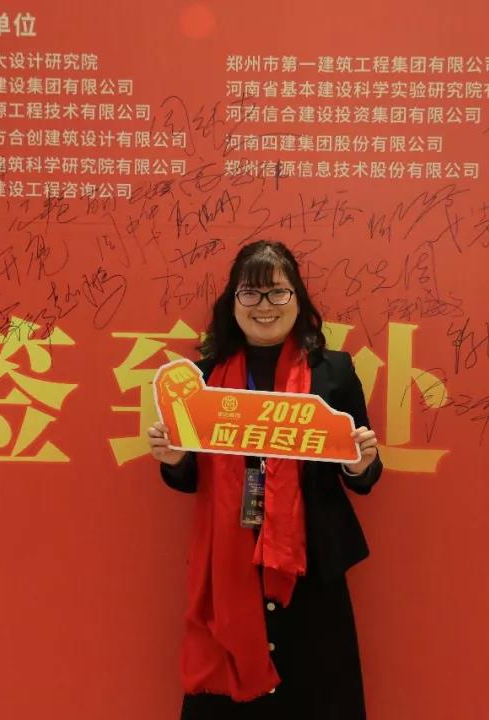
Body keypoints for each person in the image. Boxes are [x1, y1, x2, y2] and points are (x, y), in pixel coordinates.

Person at [147, 240, 382, 720]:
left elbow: (364, 474)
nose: (264, 306)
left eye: (277, 292)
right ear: (232, 303)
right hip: (229, 564)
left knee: (316, 698)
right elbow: (188, 476)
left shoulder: (333, 371)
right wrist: (174, 459)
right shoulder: (203, 377)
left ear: (298, 298)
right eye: (250, 294)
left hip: (310, 566)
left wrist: (360, 464)